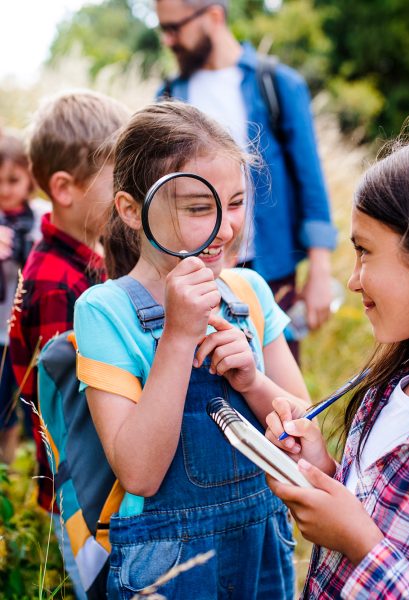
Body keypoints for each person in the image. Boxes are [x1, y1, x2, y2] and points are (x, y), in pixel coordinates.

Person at [73, 101, 310, 599]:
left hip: (262, 550)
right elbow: (139, 473)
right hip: (166, 566)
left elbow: (305, 441)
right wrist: (178, 338)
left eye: (238, 202)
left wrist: (252, 381)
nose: (225, 228)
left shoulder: (249, 293)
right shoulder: (104, 310)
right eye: (200, 208)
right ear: (131, 211)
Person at [265, 130, 409, 598]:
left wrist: (360, 545)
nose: (352, 280)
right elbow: (379, 508)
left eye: (365, 251)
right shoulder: (387, 389)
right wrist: (323, 472)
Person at [155, 0, 337, 361]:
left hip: (273, 270)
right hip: (199, 267)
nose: (168, 40)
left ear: (213, 16)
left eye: (174, 28)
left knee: (277, 380)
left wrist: (320, 269)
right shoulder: (169, 97)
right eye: (163, 29)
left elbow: (310, 179)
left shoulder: (278, 84)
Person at [8, 90, 129, 599]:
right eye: (117, 182)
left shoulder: (78, 258)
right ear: (64, 189)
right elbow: (71, 403)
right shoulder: (58, 283)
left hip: (89, 483)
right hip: (81, 492)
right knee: (100, 588)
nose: (129, 195)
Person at [0, 133, 44, 463]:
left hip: (34, 329)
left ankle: (25, 466)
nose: (5, 189)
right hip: (1, 331)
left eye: (13, 180)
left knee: (28, 403)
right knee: (2, 404)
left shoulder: (41, 217)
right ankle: (9, 467)